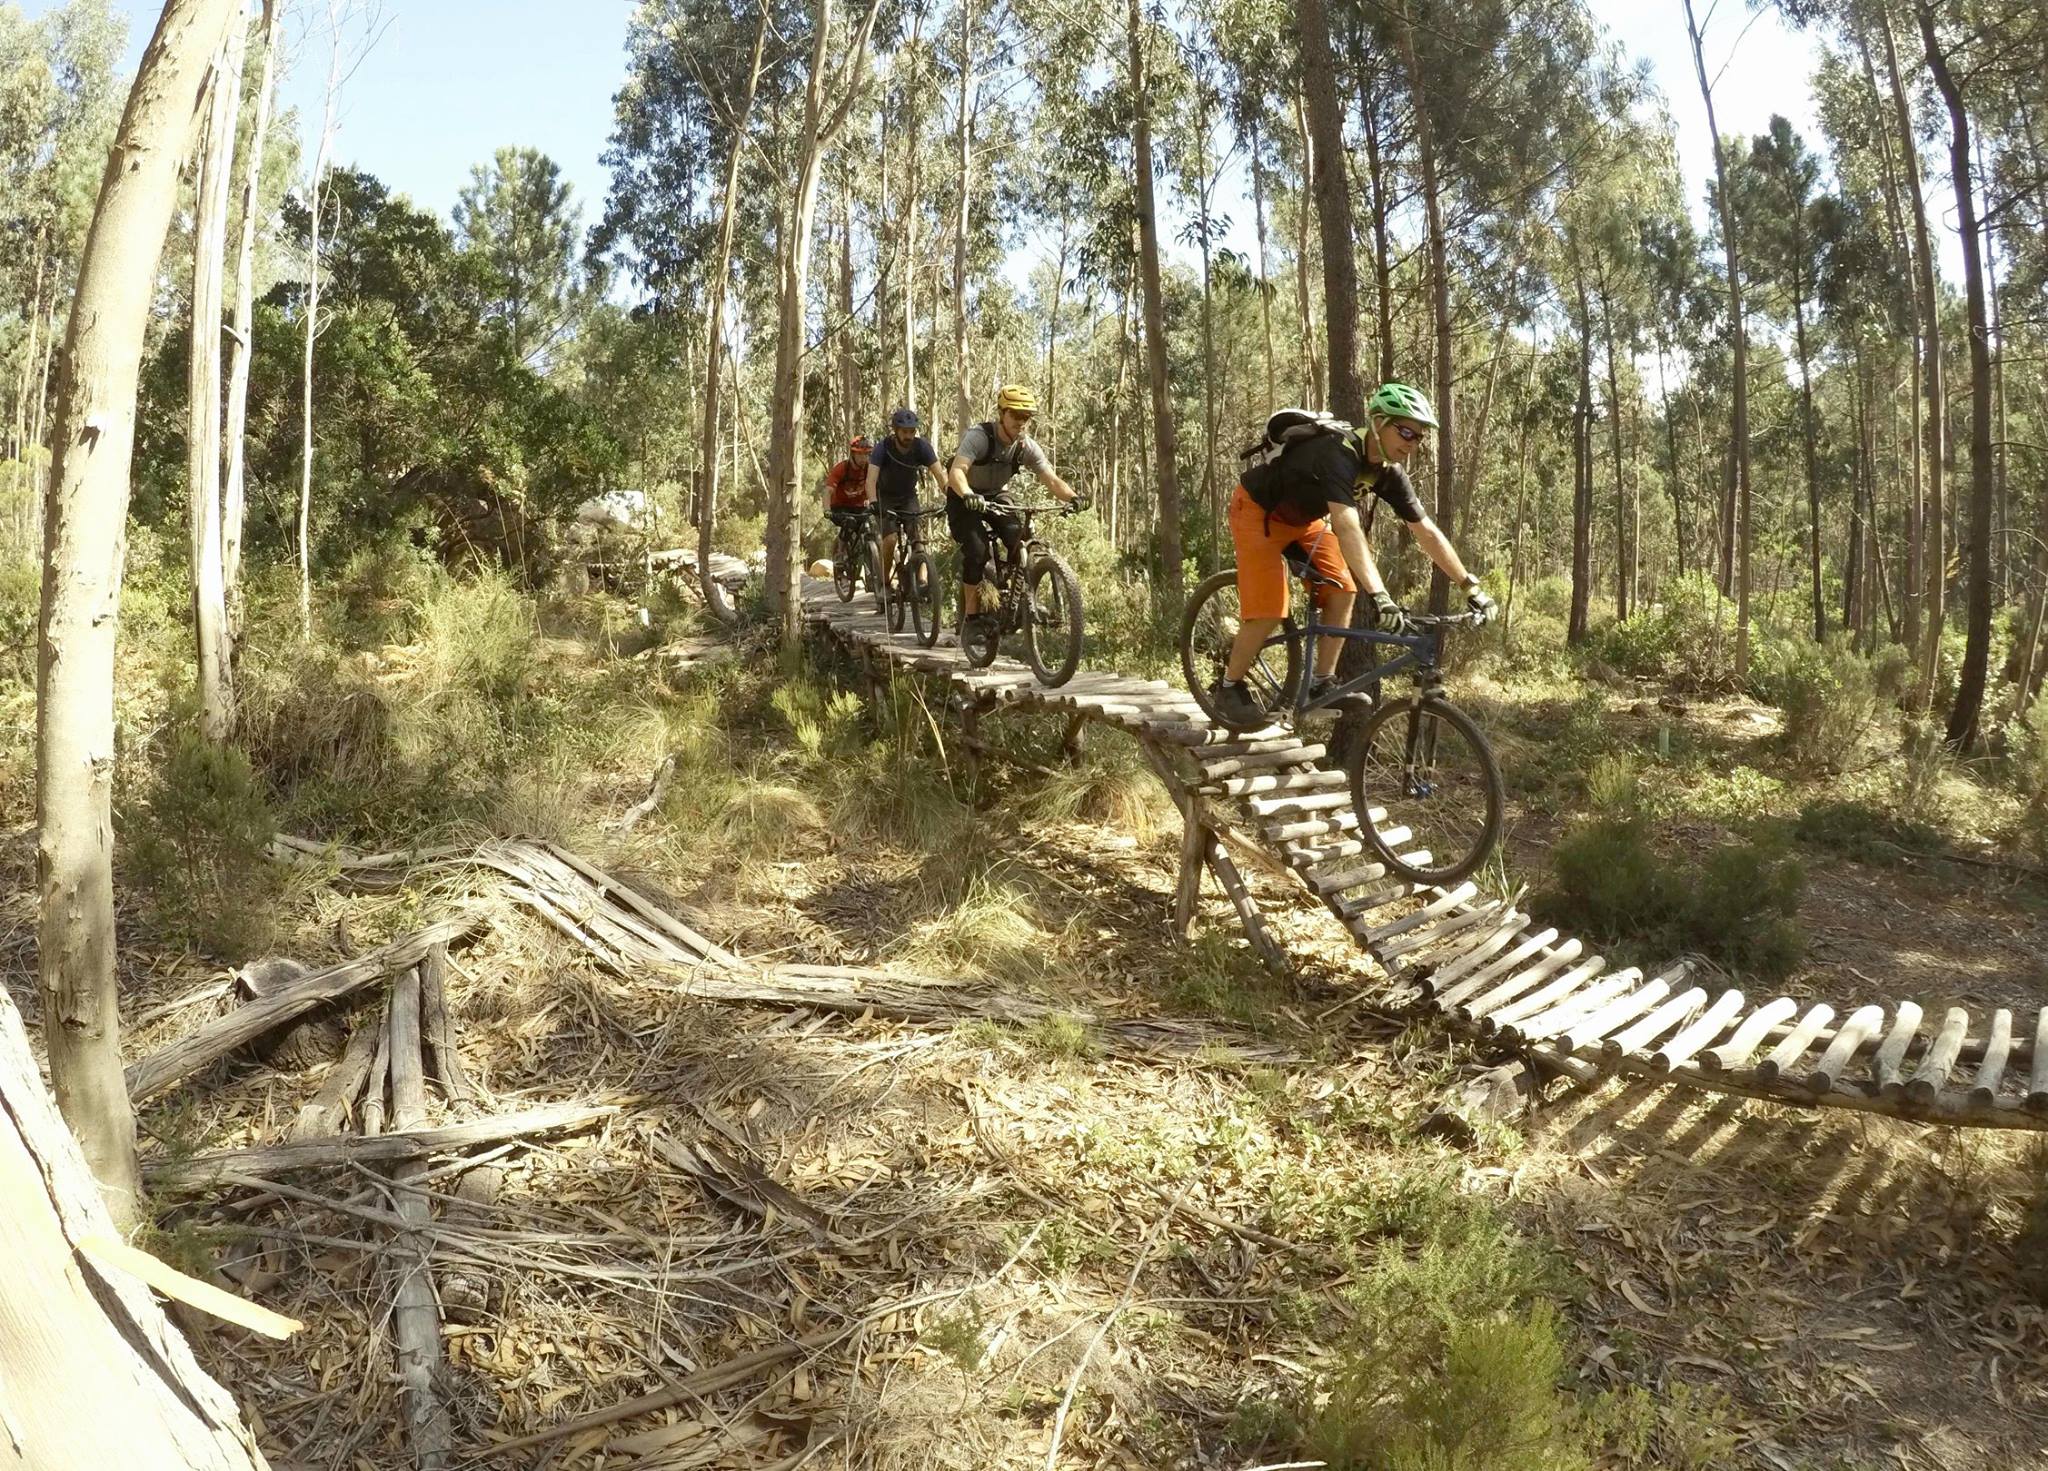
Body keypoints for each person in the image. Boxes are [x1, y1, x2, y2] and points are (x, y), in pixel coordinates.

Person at [1207, 382, 1495, 728]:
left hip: (1303, 522)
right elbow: (1346, 525)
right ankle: (1228, 687)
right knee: (1270, 610)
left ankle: (1319, 684)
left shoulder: (1388, 471)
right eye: (1405, 431)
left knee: (1343, 589)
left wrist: (1469, 586)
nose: (1412, 443)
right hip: (1257, 511)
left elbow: (1426, 531)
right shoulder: (1338, 453)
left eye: (1418, 437)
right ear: (1378, 422)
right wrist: (1382, 596)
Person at [945, 384, 1084, 631]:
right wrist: (967, 493)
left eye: (1026, 417)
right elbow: (957, 472)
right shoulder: (979, 437)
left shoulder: (1025, 446)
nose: (1021, 422)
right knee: (977, 550)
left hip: (997, 495)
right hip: (963, 495)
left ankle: (1021, 599)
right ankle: (971, 618)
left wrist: (1073, 497)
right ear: (1002, 413)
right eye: (1015, 415)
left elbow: (1051, 479)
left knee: (1021, 540)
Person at [865, 407, 947, 577]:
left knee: (918, 539)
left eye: (912, 431)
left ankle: (923, 582)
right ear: (895, 431)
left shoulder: (922, 447)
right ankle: (885, 581)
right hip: (885, 497)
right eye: (904, 432)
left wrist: (951, 494)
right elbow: (871, 480)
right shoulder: (883, 448)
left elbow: (940, 475)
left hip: (908, 496)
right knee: (891, 539)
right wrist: (873, 501)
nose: (909, 436)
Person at [822, 436, 873, 570]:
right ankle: (840, 553)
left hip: (860, 507)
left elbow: (877, 486)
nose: (864, 459)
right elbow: (828, 491)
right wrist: (827, 510)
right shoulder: (841, 469)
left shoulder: (869, 469)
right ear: (852, 454)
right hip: (840, 507)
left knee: (873, 524)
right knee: (849, 522)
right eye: (860, 455)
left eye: (867, 455)